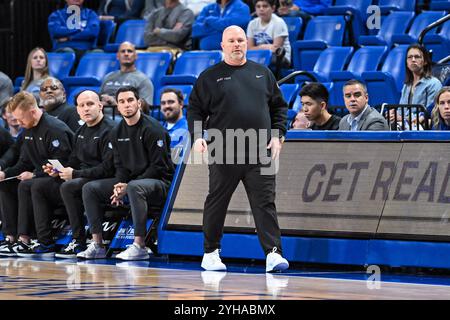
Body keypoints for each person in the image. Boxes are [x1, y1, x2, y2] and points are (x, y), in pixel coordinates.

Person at [188, 25, 289, 272]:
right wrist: (198, 136)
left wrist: (278, 134)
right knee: (217, 201)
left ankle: (273, 254)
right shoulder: (209, 77)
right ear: (222, 45)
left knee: (265, 203)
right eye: (231, 41)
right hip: (224, 149)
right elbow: (194, 110)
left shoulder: (262, 73)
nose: (237, 45)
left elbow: (279, 107)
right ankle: (210, 253)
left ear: (247, 43)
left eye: (241, 40)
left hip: (259, 151)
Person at [77, 86, 174, 260]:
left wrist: (127, 186)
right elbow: (120, 166)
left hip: (160, 183)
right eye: (121, 101)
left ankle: (139, 246)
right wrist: (118, 186)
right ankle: (97, 245)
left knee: (135, 187)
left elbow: (158, 167)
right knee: (90, 188)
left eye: (130, 100)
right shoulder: (116, 132)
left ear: (139, 103)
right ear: (118, 106)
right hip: (132, 182)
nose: (126, 105)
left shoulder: (153, 129)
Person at [25, 90, 114, 258]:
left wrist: (75, 173)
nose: (86, 109)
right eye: (82, 105)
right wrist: (57, 171)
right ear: (77, 110)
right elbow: (73, 160)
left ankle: (78, 241)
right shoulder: (80, 132)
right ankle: (44, 241)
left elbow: (108, 168)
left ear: (100, 106)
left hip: (105, 179)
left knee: (69, 186)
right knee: (39, 185)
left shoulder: (110, 130)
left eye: (90, 104)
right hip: (83, 177)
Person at [0, 91, 73, 257]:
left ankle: (32, 239)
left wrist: (35, 175)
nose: (18, 123)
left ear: (32, 112)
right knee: (5, 184)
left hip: (63, 181)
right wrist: (4, 173)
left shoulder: (54, 129)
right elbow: (23, 162)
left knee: (29, 185)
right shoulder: (28, 128)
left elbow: (63, 165)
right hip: (42, 178)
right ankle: (10, 237)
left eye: (20, 119)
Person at [390, 44, 443, 130]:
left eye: (417, 57)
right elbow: (401, 110)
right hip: (405, 127)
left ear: (425, 61)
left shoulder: (434, 83)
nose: (413, 60)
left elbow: (432, 113)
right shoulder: (407, 85)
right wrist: (394, 115)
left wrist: (403, 118)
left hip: (422, 129)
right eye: (410, 57)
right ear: (406, 63)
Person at [100, 42, 154, 114]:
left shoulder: (143, 80)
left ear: (135, 56)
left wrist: (114, 103)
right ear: (117, 56)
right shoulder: (108, 77)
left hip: (125, 120)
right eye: (123, 51)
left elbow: (145, 110)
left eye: (130, 51)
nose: (126, 54)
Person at [247, 0, 291, 68]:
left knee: (263, 61)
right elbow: (249, 48)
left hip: (280, 58)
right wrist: (263, 47)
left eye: (265, 6)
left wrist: (257, 48)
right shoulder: (252, 24)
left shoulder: (279, 22)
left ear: (273, 8)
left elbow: (276, 49)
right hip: (260, 55)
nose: (261, 9)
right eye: (258, 6)